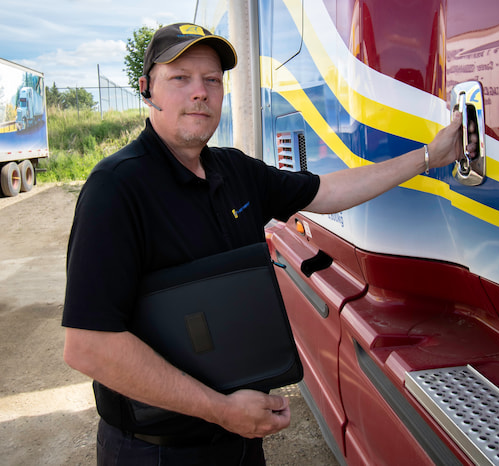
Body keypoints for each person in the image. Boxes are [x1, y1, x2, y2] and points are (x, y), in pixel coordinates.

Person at [62, 23, 464, 466]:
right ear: (146, 89)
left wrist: (430, 157)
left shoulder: (234, 171)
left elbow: (327, 193)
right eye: (180, 78)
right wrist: (221, 410)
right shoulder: (116, 189)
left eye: (212, 80)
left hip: (238, 442)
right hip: (154, 453)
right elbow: (89, 345)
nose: (200, 92)